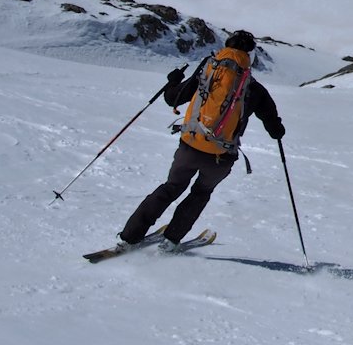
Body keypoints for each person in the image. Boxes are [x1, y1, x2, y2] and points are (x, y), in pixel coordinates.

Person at [117, 30, 285, 250]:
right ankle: (171, 240)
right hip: (221, 157)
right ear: (250, 55)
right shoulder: (254, 88)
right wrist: (278, 130)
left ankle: (130, 236)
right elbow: (274, 127)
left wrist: (172, 81)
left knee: (171, 187)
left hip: (190, 147)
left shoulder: (207, 74)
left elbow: (172, 98)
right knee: (201, 193)